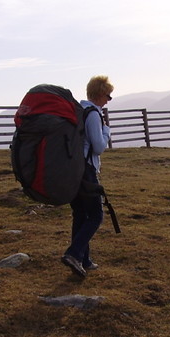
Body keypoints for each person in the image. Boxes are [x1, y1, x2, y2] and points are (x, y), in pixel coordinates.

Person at [61, 75, 113, 278]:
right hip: (86, 170)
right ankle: (73, 253)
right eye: (108, 96)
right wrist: (106, 131)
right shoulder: (92, 114)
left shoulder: (80, 110)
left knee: (81, 215)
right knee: (96, 215)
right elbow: (98, 147)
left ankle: (83, 259)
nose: (109, 100)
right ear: (100, 94)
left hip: (73, 168)